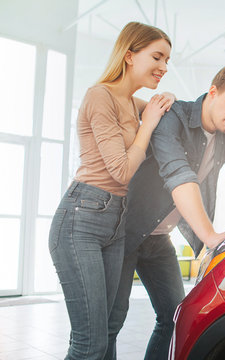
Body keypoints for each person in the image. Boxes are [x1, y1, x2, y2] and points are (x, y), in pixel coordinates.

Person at [106, 65, 225, 359]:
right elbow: (178, 176)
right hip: (126, 231)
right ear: (213, 91)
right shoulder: (174, 118)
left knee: (175, 318)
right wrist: (210, 236)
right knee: (111, 321)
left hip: (159, 239)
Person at [48, 22, 175, 359]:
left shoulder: (133, 103)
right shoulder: (100, 95)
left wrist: (165, 103)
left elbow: (169, 111)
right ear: (130, 55)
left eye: (167, 60)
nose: (163, 67)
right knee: (89, 343)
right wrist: (148, 123)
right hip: (82, 220)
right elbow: (120, 170)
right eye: (157, 57)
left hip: (116, 224)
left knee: (107, 332)